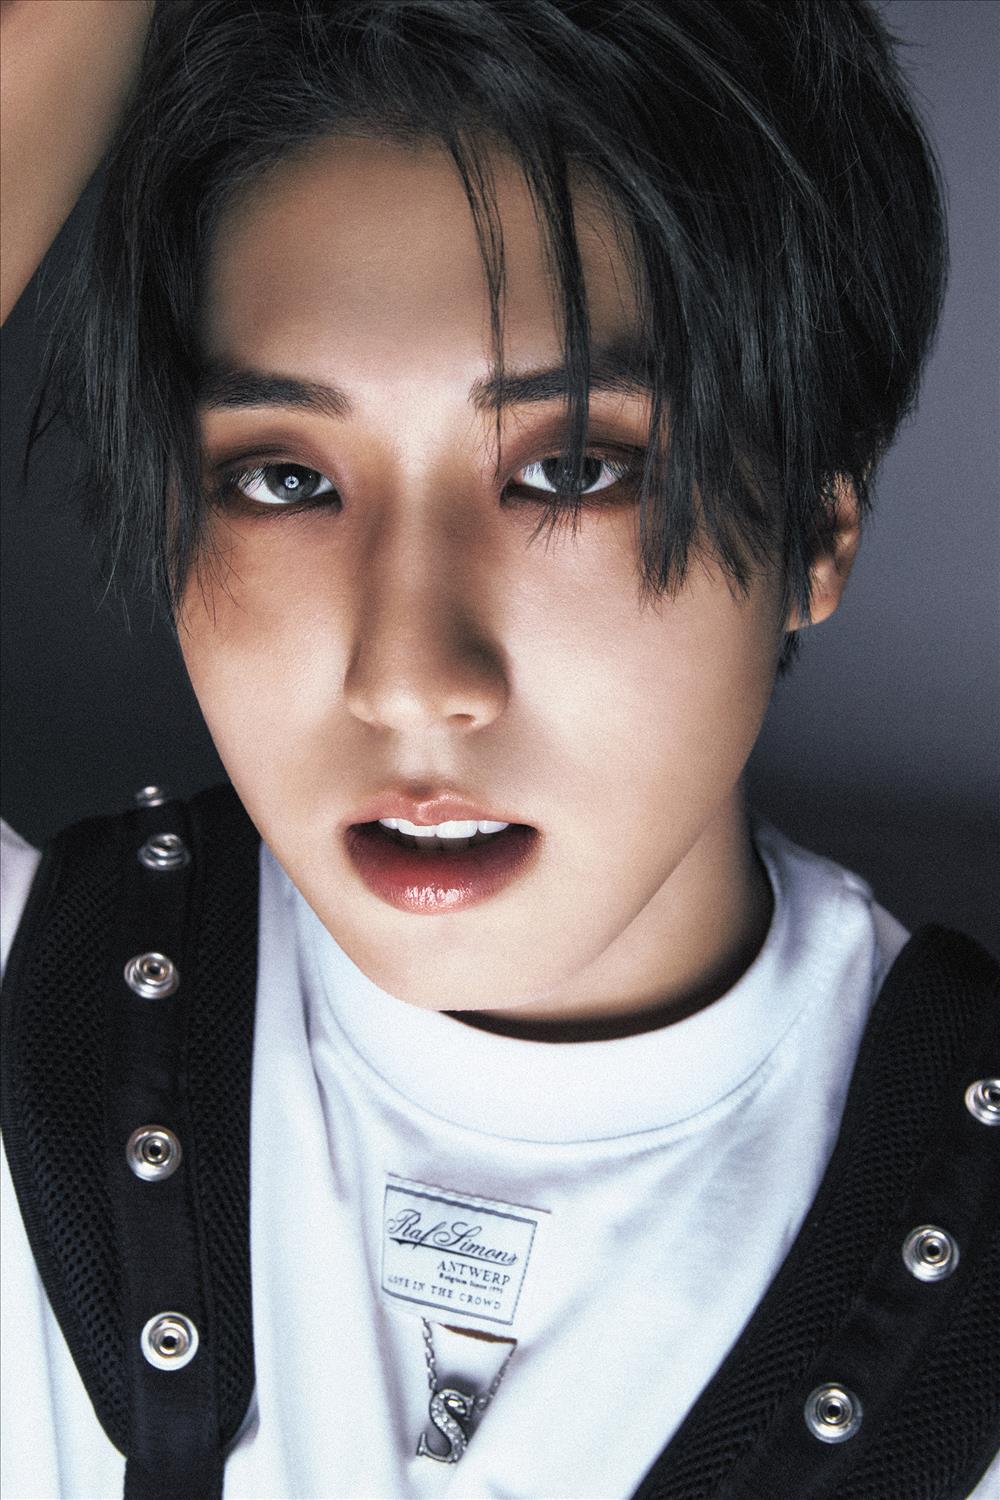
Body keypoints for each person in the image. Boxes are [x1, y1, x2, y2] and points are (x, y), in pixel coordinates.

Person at [1, 2, 996, 1497]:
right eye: (284, 479)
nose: (411, 678)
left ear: (812, 531)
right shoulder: (34, 1016)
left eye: (570, 469)